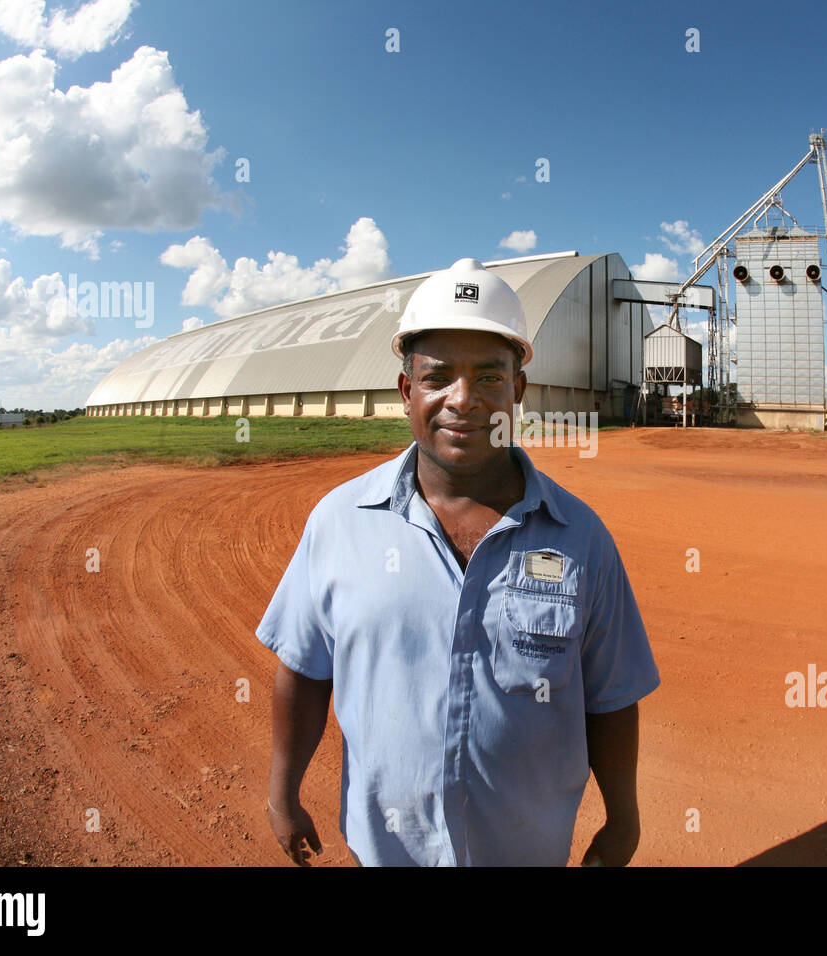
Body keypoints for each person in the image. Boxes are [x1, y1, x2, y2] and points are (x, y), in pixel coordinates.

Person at [257, 257, 660, 866]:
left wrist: (623, 817)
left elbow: (609, 696)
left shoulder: (582, 539)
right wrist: (282, 793)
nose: (463, 400)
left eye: (490, 378)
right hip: (390, 852)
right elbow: (307, 669)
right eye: (438, 376)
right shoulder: (339, 522)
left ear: (518, 389)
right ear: (406, 390)